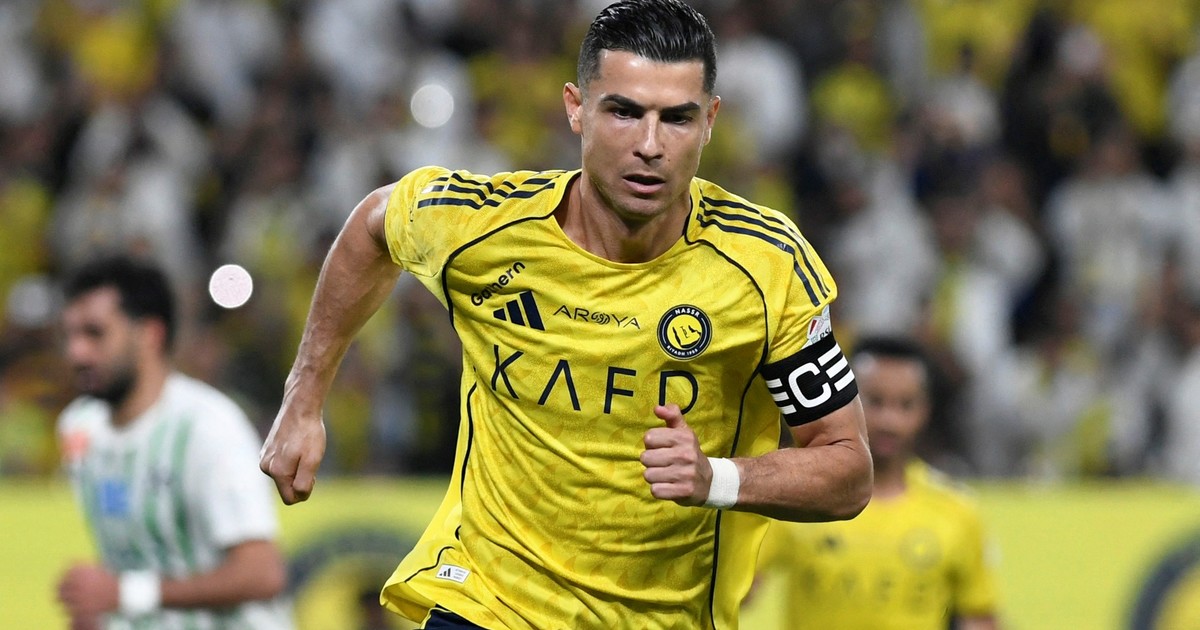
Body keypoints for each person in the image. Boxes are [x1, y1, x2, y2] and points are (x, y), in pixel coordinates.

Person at [259, 1, 873, 628]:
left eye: (677, 118)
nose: (650, 145)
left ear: (710, 120)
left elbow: (847, 469)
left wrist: (714, 478)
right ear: (576, 108)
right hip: (487, 605)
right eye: (624, 112)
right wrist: (303, 398)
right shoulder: (486, 229)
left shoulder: (765, 267)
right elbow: (374, 225)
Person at [55, 254, 294, 629]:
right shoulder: (78, 428)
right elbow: (136, 560)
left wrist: (125, 594)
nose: (77, 353)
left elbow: (262, 574)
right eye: (70, 336)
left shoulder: (208, 427)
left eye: (95, 333)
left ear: (150, 334)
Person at [754, 336, 1001, 629]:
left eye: (905, 405)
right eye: (874, 401)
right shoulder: (804, 495)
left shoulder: (956, 511)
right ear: (843, 402)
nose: (889, 421)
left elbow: (979, 616)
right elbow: (737, 588)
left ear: (925, 410)